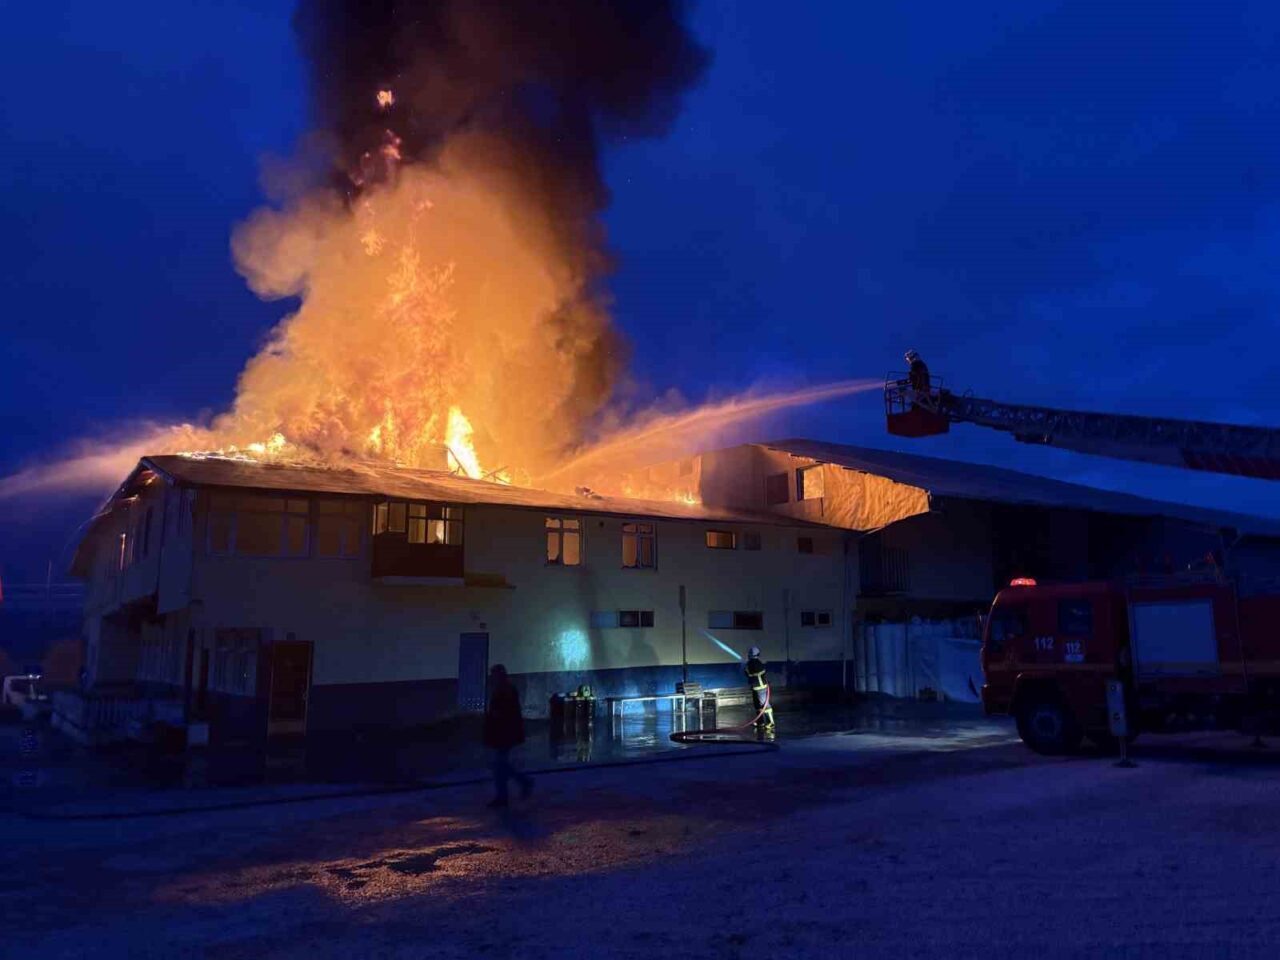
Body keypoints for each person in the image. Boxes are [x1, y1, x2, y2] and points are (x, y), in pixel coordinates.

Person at [483, 664, 532, 808]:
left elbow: (502, 715)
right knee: (500, 765)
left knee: (500, 765)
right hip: (506, 733)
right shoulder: (506, 689)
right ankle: (506, 794)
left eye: (493, 675)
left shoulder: (504, 690)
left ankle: (512, 790)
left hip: (504, 734)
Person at [744, 646, 775, 732]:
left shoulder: (753, 663)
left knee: (765, 706)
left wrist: (745, 669)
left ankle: (770, 723)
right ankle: (760, 722)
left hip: (760, 688)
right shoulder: (755, 663)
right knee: (758, 706)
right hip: (756, 687)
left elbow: (750, 674)